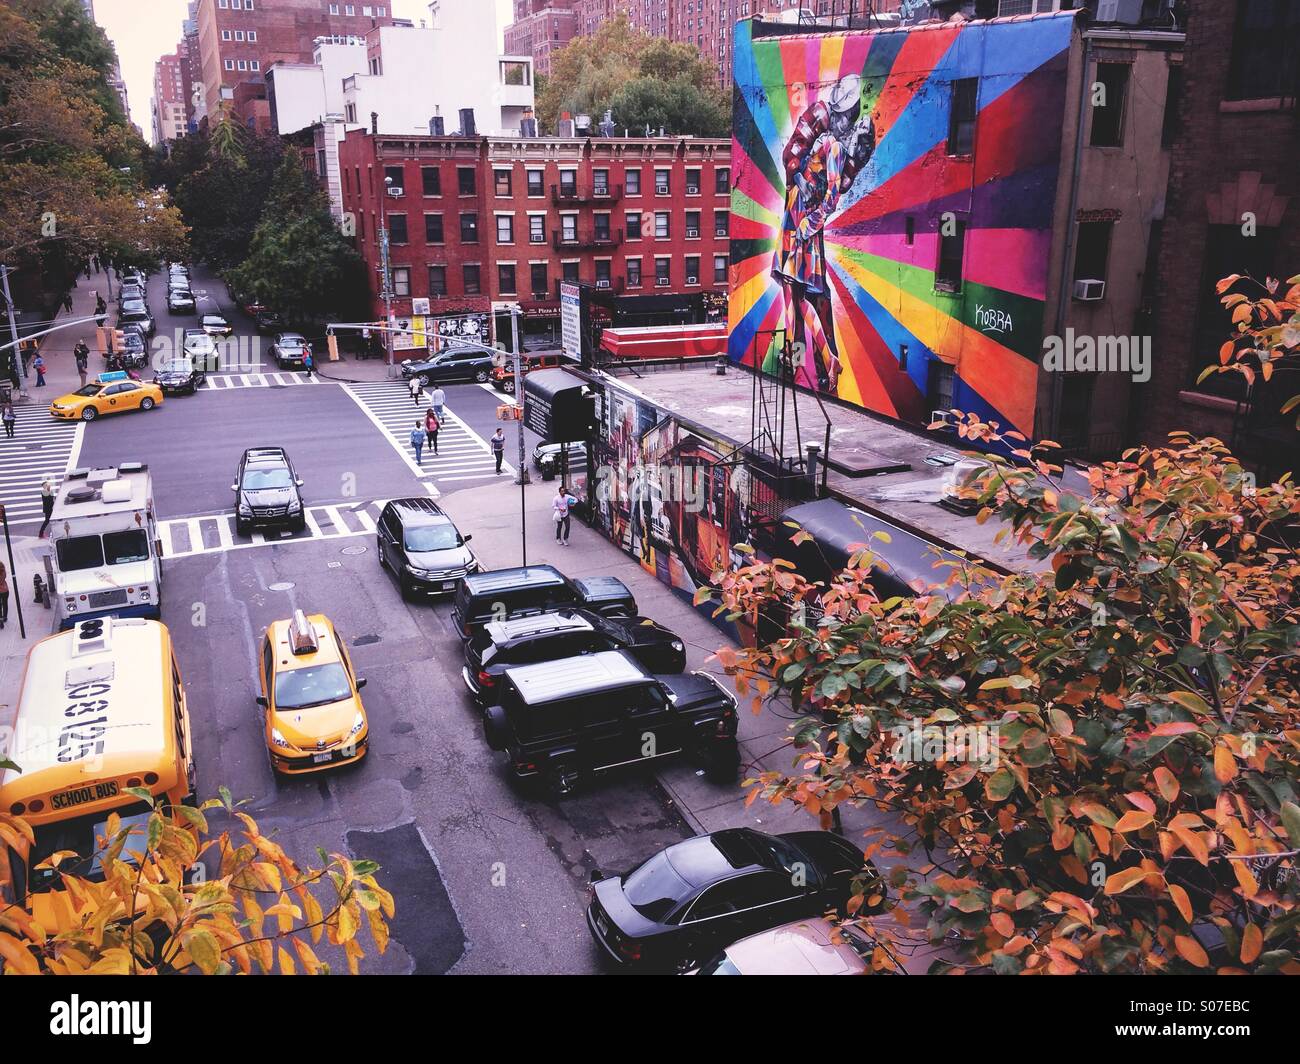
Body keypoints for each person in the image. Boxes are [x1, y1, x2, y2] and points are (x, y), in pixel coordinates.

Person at [773, 73, 877, 393]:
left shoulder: (833, 148)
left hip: (801, 220)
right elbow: (797, 160)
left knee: (795, 287)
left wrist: (809, 220)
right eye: (849, 116)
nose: (848, 122)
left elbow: (831, 196)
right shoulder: (828, 140)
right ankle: (803, 355)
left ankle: (819, 357)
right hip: (798, 214)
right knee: (795, 288)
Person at [0, 560, 8, 629]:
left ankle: (1, 621)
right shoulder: (3, 571)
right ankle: (4, 617)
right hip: (5, 590)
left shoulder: (1, 572)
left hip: (1, 591)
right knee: (5, 604)